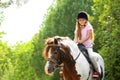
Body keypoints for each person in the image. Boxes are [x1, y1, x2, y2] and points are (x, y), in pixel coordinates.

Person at [74, 11, 100, 77]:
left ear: (86, 20)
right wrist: (74, 43)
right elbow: (75, 38)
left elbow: (88, 36)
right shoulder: (77, 28)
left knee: (91, 56)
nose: (81, 21)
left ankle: (96, 71)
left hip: (88, 46)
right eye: (80, 20)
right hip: (79, 46)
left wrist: (80, 41)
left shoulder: (89, 26)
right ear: (78, 21)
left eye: (83, 20)